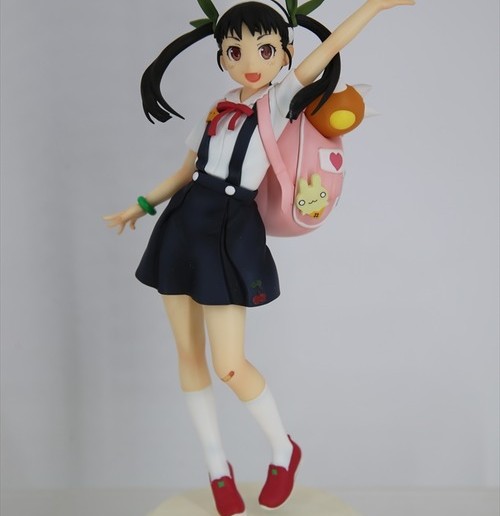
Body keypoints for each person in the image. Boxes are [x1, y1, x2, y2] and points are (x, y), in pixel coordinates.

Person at [104, 1, 414, 514]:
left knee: (229, 365)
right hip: (182, 224)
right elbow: (186, 170)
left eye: (265, 50)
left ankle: (283, 449)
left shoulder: (281, 98)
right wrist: (140, 206)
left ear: (285, 54)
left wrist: (374, 6)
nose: (250, 61)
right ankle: (216, 467)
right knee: (187, 356)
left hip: (230, 230)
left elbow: (332, 46)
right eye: (235, 51)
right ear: (221, 57)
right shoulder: (217, 108)